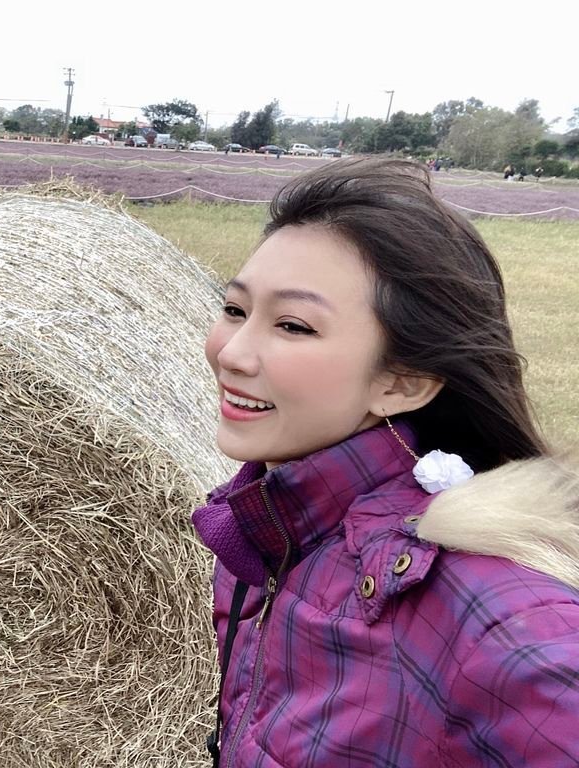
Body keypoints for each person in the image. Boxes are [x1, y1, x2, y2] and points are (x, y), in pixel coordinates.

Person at [193, 157, 579, 767]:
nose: (232, 353)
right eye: (236, 310)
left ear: (403, 383)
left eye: (292, 325)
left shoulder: (495, 611)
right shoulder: (268, 532)